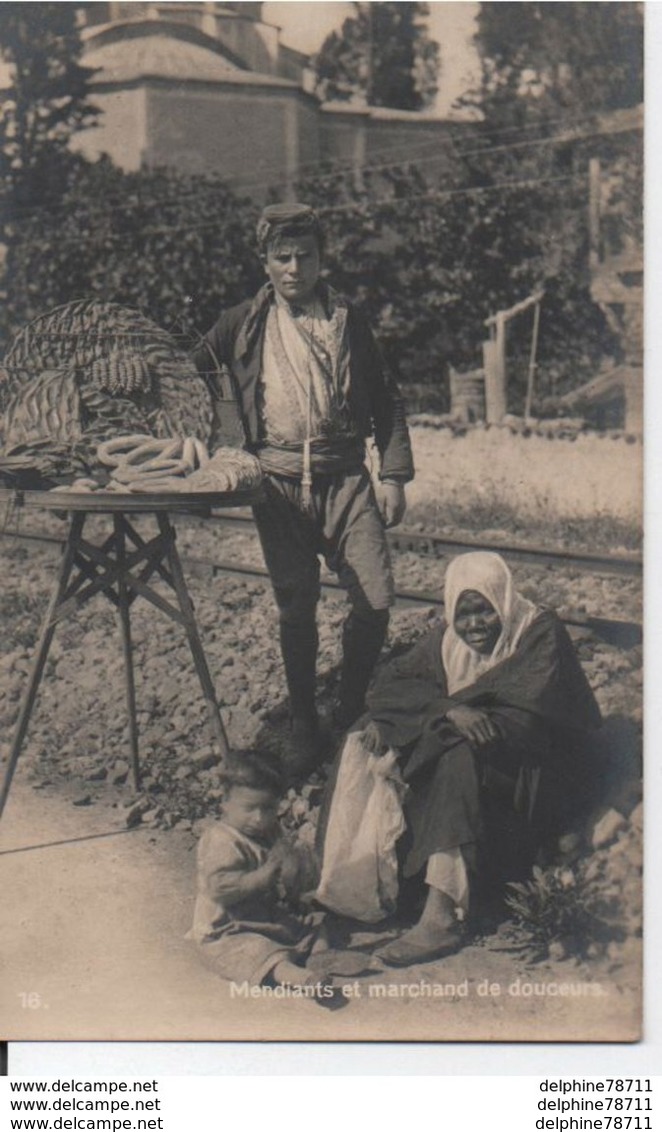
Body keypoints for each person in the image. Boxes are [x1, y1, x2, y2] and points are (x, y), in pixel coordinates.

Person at [192, 203, 414, 773]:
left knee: (376, 600)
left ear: (321, 257)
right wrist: (215, 445)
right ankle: (302, 724)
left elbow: (387, 397)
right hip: (278, 486)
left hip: (345, 479)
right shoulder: (241, 322)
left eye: (305, 256)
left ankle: (348, 708)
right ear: (264, 261)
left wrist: (392, 475)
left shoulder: (347, 320)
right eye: (282, 257)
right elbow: (186, 377)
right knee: (297, 608)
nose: (294, 268)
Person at [320, 551, 602, 967]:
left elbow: (527, 717)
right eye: (463, 613)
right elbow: (388, 684)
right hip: (484, 765)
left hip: (539, 780)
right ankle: (360, 881)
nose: (474, 626)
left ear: (501, 599)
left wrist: (446, 715)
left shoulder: (539, 631)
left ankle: (443, 914)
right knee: (370, 731)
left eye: (484, 611)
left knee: (457, 753)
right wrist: (446, 711)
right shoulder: (447, 641)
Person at [187, 750, 335, 998]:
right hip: (228, 928)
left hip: (264, 915)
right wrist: (260, 877)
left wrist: (295, 878)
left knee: (314, 924)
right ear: (225, 801)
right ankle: (302, 979)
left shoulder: (269, 830)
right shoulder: (222, 840)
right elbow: (219, 888)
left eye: (268, 808)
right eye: (250, 809)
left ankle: (322, 959)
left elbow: (282, 864)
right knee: (261, 952)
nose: (259, 818)